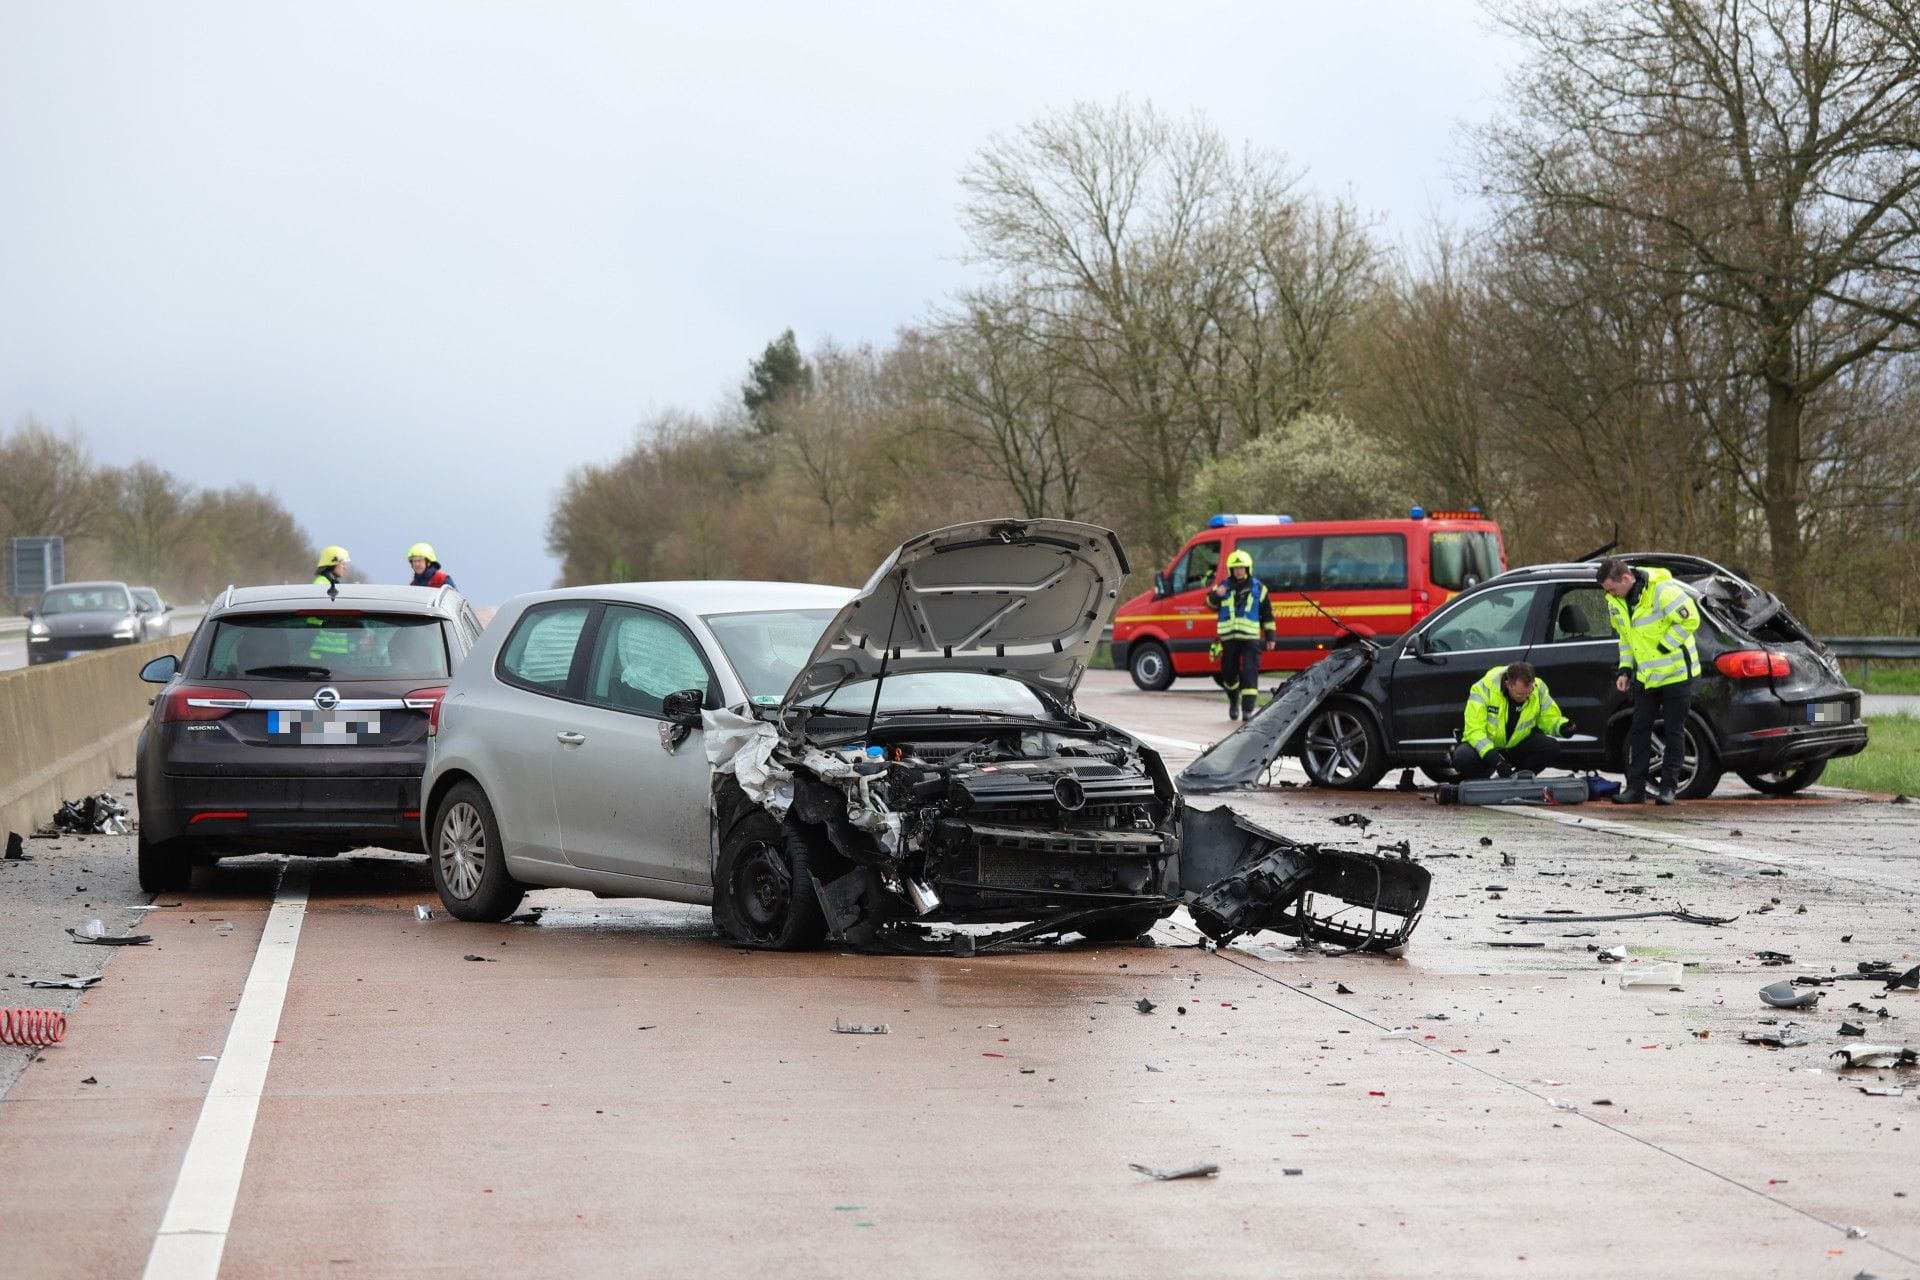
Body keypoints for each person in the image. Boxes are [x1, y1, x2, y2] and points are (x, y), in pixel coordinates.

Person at [1598, 556, 1701, 805]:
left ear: (1625, 579)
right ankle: (1635, 788)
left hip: (1676, 674)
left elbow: (1691, 619)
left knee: (1674, 730)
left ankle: (1668, 788)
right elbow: (1626, 638)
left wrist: (1665, 647)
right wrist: (1625, 670)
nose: (1611, 594)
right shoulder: (1615, 601)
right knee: (1639, 730)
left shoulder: (1662, 591)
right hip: (1646, 677)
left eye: (1612, 589)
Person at [1448, 661, 1572, 780]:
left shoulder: (1538, 688)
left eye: (1528, 694)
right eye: (1519, 695)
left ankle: (1518, 780)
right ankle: (1482, 785)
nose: (1525, 698)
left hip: (1515, 746)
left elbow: (1548, 717)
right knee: (1463, 756)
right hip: (1488, 750)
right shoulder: (1482, 689)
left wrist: (1562, 727)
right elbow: (1474, 730)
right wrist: (1495, 759)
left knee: (1551, 747)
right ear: (1508, 684)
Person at [1206, 549, 1275, 720]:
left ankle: (1247, 711)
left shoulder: (1259, 588)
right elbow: (1209, 603)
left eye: (1242, 568)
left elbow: (1267, 614)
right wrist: (1216, 594)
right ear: (1231, 570)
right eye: (1236, 568)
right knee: (1228, 673)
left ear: (1248, 569)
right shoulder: (1223, 586)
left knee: (1250, 673)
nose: (1239, 571)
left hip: (1251, 639)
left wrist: (1270, 637)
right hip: (1228, 638)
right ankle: (1233, 700)